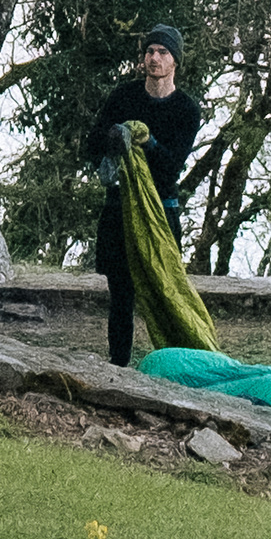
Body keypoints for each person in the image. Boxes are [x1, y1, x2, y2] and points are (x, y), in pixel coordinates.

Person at [87, 22, 206, 368]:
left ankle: (179, 363)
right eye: (150, 51)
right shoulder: (124, 97)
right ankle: (118, 365)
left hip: (161, 211)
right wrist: (113, 136)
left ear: (175, 62)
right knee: (120, 293)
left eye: (162, 52)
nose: (154, 58)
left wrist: (147, 141)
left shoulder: (186, 109)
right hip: (120, 208)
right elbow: (91, 143)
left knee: (165, 292)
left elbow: (170, 168)